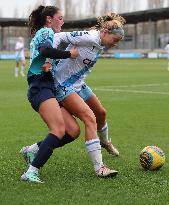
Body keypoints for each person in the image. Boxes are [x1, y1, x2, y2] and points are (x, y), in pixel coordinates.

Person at [22, 13, 125, 180]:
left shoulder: (99, 42)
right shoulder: (90, 37)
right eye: (115, 40)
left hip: (79, 83)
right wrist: (49, 59)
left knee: (101, 113)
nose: (115, 44)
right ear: (105, 32)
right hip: (63, 84)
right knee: (89, 118)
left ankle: (105, 142)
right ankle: (100, 167)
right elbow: (60, 36)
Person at [20, 5, 79, 183]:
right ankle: (31, 171)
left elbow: (44, 56)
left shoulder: (47, 34)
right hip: (40, 87)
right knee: (59, 130)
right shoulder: (46, 32)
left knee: (73, 131)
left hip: (47, 86)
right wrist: (70, 54)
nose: (62, 21)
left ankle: (33, 149)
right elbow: (45, 50)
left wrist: (49, 66)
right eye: (60, 18)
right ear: (49, 19)